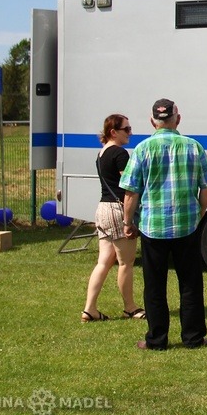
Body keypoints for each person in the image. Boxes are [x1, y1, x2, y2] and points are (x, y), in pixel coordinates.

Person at [121, 99, 207, 350]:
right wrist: (200, 211)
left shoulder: (142, 149)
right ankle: (193, 337)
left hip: (153, 227)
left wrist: (128, 222)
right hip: (187, 226)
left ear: (152, 121)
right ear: (178, 118)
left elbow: (131, 193)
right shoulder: (194, 147)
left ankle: (157, 339)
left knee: (154, 286)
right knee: (190, 284)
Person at [81, 114, 144, 322]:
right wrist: (128, 220)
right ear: (113, 132)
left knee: (103, 262)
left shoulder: (101, 153)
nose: (130, 133)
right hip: (118, 209)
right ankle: (130, 308)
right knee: (126, 262)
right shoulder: (119, 153)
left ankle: (90, 309)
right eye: (126, 129)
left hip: (103, 209)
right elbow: (129, 186)